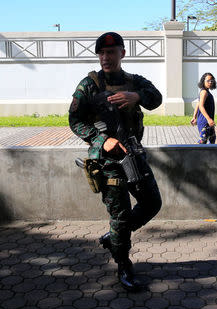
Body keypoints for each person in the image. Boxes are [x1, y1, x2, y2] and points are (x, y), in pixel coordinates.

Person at [68, 32, 163, 291]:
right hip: (107, 160)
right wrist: (101, 140)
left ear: (122, 53)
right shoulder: (89, 84)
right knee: (120, 214)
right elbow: (74, 121)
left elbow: (157, 98)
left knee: (152, 203)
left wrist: (137, 97)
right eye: (101, 53)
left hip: (133, 154)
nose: (105, 58)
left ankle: (115, 236)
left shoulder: (134, 82)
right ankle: (124, 265)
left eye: (111, 52)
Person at [190, 73, 217, 144]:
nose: (210, 82)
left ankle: (210, 154)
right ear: (203, 81)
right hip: (205, 121)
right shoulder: (204, 92)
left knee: (212, 138)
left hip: (208, 121)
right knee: (202, 141)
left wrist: (194, 117)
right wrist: (209, 119)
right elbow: (201, 106)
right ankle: (191, 153)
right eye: (208, 80)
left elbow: (198, 104)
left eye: (211, 80)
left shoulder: (206, 91)